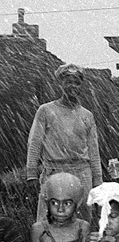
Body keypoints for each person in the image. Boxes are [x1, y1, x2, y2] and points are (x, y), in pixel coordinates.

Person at [26, 63, 102, 222]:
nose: (72, 86)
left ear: (81, 86)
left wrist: (97, 181)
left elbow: (94, 151)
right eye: (68, 81)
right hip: (54, 171)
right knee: (48, 222)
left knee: (82, 223)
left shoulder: (87, 115)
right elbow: (35, 143)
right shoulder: (46, 111)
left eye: (77, 82)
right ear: (61, 84)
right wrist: (31, 173)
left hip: (82, 172)